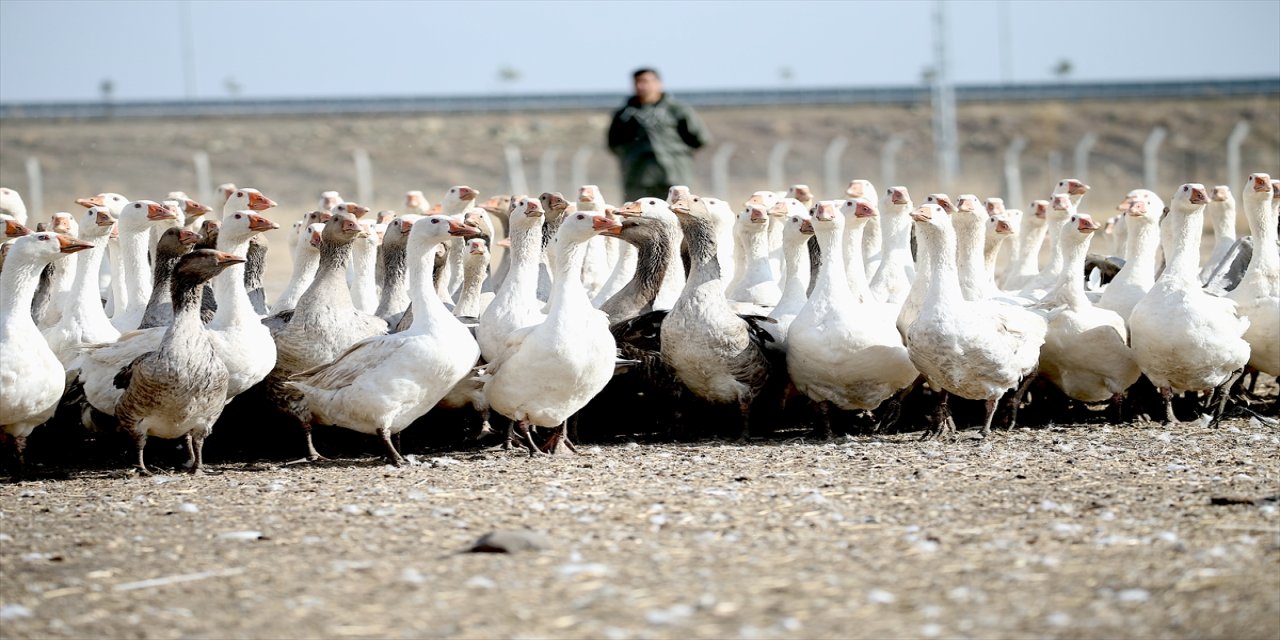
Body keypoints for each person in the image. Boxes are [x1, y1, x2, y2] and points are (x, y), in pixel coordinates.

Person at [607, 68, 710, 203]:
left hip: (674, 175)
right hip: (638, 176)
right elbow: (614, 143)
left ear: (658, 83)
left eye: (645, 81)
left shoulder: (677, 110)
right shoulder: (625, 114)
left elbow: (699, 138)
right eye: (637, 82)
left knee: (678, 213)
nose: (641, 86)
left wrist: (676, 154)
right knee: (637, 216)